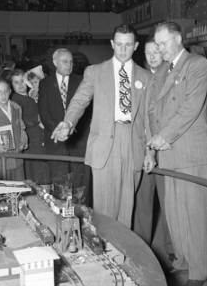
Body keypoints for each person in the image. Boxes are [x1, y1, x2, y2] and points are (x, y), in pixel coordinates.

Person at [51, 24, 154, 228]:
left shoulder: (146, 77)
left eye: (128, 45)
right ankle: (104, 251)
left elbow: (149, 117)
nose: (123, 50)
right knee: (105, 212)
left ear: (136, 46)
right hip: (104, 144)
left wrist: (150, 151)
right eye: (118, 44)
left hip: (133, 145)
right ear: (111, 44)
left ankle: (121, 254)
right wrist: (68, 122)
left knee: (127, 210)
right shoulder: (95, 72)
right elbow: (80, 100)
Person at [146, 21, 207, 286]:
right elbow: (152, 111)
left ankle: (199, 270)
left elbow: (191, 107)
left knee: (196, 214)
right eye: (157, 43)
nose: (159, 48)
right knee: (175, 214)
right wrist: (151, 148)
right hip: (166, 152)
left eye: (163, 43)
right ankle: (183, 260)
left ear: (177, 39)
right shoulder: (161, 71)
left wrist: (164, 137)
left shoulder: (197, 64)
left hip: (190, 150)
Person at [132, 35, 174, 269]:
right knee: (142, 203)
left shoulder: (173, 78)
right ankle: (141, 249)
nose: (152, 56)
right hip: (142, 151)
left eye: (156, 51)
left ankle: (172, 251)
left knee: (168, 203)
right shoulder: (142, 79)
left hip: (165, 151)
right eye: (148, 53)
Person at [38, 49, 93, 205]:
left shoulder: (82, 81)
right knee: (60, 187)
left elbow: (86, 111)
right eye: (65, 61)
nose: (69, 65)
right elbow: (43, 111)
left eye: (71, 62)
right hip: (55, 141)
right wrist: (59, 131)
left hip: (79, 140)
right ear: (55, 62)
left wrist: (70, 129)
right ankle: (61, 220)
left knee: (80, 187)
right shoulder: (45, 84)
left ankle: (82, 220)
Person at [10, 69, 50, 185]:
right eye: (16, 82)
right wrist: (40, 116)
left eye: (22, 81)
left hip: (40, 139)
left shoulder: (31, 96)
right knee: (38, 175)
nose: (20, 85)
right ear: (11, 85)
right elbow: (22, 120)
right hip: (31, 141)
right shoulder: (15, 100)